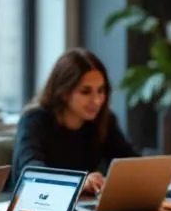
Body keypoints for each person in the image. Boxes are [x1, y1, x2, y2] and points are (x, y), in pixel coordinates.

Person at [12, 48, 137, 195]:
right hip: (37, 206)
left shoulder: (103, 119)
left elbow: (130, 162)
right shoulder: (34, 120)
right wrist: (79, 181)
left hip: (82, 207)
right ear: (64, 92)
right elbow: (32, 171)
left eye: (101, 90)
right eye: (85, 92)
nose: (96, 100)